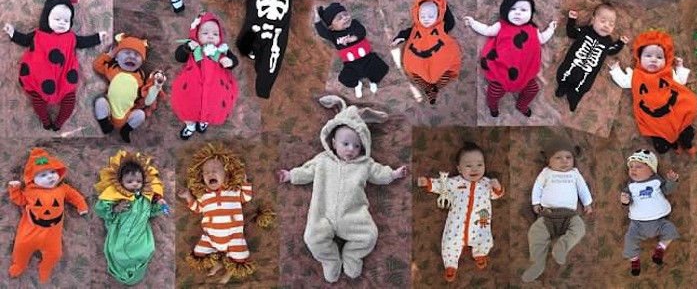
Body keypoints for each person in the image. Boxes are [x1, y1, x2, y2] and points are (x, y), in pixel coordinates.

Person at [277, 96, 407, 282]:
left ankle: (352, 256)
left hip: (353, 216)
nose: (351, 149)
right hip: (323, 214)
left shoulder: (364, 164)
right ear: (333, 143)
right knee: (312, 238)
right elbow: (307, 171)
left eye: (357, 145)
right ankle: (330, 260)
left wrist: (393, 174)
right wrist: (291, 175)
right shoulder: (322, 160)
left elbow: (378, 173)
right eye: (345, 144)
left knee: (369, 236)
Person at [214, 0, 344, 98]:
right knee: (243, 44)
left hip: (278, 31)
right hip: (253, 26)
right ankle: (255, 57)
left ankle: (263, 90)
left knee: (273, 62)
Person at [4, 0, 108, 130]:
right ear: (46, 18)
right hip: (39, 79)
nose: (61, 23)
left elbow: (84, 41)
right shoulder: (37, 35)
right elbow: (24, 39)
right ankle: (45, 120)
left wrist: (97, 38)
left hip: (64, 79)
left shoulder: (71, 37)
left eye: (66, 20)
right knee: (38, 102)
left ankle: (59, 122)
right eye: (57, 19)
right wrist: (13, 34)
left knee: (69, 103)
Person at [179, 143, 270, 284]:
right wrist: (188, 197)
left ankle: (229, 271)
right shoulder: (204, 196)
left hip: (234, 237)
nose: (210, 174)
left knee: (240, 258)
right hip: (210, 238)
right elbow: (197, 208)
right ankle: (218, 264)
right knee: (198, 253)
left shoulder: (233, 191)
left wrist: (244, 183)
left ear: (226, 173)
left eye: (215, 170)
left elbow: (246, 197)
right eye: (206, 172)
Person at [417, 141, 504, 282]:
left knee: (484, 239)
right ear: (459, 168)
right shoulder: (455, 182)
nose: (474, 169)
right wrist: (428, 183)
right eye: (468, 165)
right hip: (456, 224)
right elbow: (442, 185)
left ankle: (480, 253)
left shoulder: (486, 183)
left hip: (480, 223)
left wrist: (497, 187)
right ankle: (451, 264)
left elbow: (496, 195)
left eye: (479, 165)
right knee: (449, 241)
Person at [465, 0, 556, 118]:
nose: (518, 12)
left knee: (533, 90)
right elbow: (487, 30)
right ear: (505, 10)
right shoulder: (501, 26)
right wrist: (473, 23)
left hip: (525, 75)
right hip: (501, 74)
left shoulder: (533, 29)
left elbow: (542, 39)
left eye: (523, 10)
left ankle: (522, 105)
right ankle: (493, 106)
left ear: (531, 13)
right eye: (513, 9)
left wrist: (550, 29)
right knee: (493, 93)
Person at [609, 30, 697, 155]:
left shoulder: (668, 72)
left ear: (666, 60)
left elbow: (681, 82)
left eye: (659, 57)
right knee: (661, 148)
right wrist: (615, 70)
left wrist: (679, 67)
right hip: (654, 120)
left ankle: (687, 145)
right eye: (648, 56)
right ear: (639, 58)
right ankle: (674, 144)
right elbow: (623, 82)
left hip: (675, 113)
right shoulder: (636, 76)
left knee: (688, 133)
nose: (653, 60)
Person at [7, 148, 88, 283]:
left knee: (56, 254)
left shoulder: (63, 188)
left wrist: (82, 206)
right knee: (20, 248)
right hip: (30, 233)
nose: (50, 177)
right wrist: (14, 189)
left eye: (52, 172)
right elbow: (19, 200)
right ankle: (19, 265)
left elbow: (75, 196)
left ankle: (45, 268)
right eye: (43, 175)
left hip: (52, 236)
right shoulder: (30, 191)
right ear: (33, 179)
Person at [521, 135, 593, 282]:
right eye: (558, 158)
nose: (564, 161)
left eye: (568, 157)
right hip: (547, 215)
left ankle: (562, 246)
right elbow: (538, 187)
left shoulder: (574, 174)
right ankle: (537, 263)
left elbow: (583, 189)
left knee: (580, 228)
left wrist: (587, 203)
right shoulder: (546, 173)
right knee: (535, 234)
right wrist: (535, 202)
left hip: (570, 215)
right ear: (549, 161)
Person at [94, 150, 168, 285]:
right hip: (121, 231)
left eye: (138, 181)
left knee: (147, 250)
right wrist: (116, 208)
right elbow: (101, 210)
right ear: (120, 182)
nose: (135, 184)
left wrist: (159, 205)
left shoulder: (145, 198)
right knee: (115, 252)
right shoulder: (117, 197)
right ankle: (123, 267)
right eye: (129, 181)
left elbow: (150, 213)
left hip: (140, 233)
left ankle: (135, 268)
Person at [171, 12, 239, 140]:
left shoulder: (222, 50)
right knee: (187, 107)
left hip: (216, 88)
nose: (211, 36)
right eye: (205, 33)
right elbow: (179, 57)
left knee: (213, 107)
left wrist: (230, 62)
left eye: (215, 34)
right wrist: (187, 48)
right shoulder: (193, 47)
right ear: (196, 34)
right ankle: (190, 126)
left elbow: (234, 61)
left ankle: (204, 121)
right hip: (192, 87)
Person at [391, 0, 461, 104]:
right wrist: (400, 38)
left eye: (430, 16)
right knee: (415, 75)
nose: (426, 19)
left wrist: (442, 2)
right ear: (417, 15)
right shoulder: (415, 28)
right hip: (419, 61)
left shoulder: (442, 26)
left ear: (438, 15)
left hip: (439, 60)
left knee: (446, 74)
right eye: (422, 16)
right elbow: (406, 33)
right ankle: (429, 89)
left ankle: (435, 88)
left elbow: (450, 22)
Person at [93, 33, 166, 143]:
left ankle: (126, 130)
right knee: (100, 102)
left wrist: (153, 82)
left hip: (127, 114)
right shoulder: (113, 69)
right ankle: (104, 124)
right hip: (109, 110)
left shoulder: (140, 75)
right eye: (127, 53)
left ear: (142, 62)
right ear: (117, 57)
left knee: (141, 115)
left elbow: (144, 90)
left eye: (137, 55)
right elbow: (97, 66)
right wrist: (109, 55)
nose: (132, 57)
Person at [555, 3, 628, 112]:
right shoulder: (585, 31)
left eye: (611, 24)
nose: (606, 26)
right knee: (563, 75)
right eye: (603, 21)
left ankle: (574, 97)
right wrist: (572, 20)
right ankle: (562, 87)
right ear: (593, 20)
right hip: (571, 65)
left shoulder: (608, 42)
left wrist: (620, 43)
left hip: (587, 73)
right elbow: (571, 33)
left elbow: (612, 50)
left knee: (584, 86)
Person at [620, 149, 679, 277]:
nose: (633, 169)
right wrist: (625, 200)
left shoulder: (657, 181)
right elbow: (627, 199)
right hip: (637, 225)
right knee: (629, 239)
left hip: (659, 222)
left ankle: (660, 248)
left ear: (651, 170)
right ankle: (634, 260)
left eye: (638, 167)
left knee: (671, 230)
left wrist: (671, 181)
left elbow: (668, 190)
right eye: (631, 167)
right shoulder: (631, 186)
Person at [315, 2, 389, 98]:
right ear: (331, 27)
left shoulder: (354, 24)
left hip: (368, 58)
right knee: (344, 79)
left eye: (345, 14)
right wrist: (317, 20)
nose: (345, 18)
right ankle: (357, 84)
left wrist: (354, 37)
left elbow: (362, 31)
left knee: (381, 68)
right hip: (351, 65)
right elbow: (322, 32)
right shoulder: (333, 35)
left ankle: (373, 81)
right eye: (339, 18)